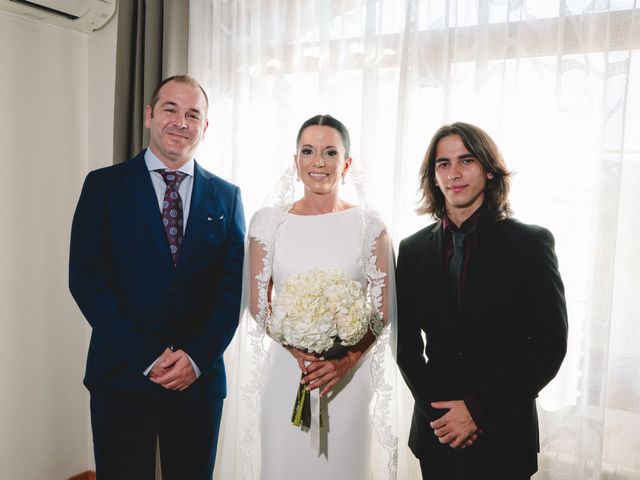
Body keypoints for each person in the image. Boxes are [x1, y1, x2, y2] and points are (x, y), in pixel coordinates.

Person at [69, 74, 245, 480]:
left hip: (197, 383)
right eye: (170, 109)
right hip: (121, 376)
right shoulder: (103, 186)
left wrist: (196, 358)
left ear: (205, 127)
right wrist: (147, 357)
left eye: (192, 114)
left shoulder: (228, 196)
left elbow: (232, 289)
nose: (181, 122)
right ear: (149, 115)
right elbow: (86, 279)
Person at [216, 114, 397, 479]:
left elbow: (382, 311)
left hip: (347, 377)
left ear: (346, 163)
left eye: (330, 152)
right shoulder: (267, 223)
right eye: (308, 151)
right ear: (295, 161)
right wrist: (297, 347)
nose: (319, 162)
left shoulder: (370, 226)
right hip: (288, 372)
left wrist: (343, 362)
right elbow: (259, 304)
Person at [396, 122, 568, 480]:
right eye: (443, 163)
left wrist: (476, 411)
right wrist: (442, 417)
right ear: (433, 175)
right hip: (437, 434)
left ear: (489, 170)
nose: (454, 173)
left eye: (466, 160)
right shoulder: (411, 250)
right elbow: (406, 346)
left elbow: (549, 345)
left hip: (504, 432)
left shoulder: (530, 244)